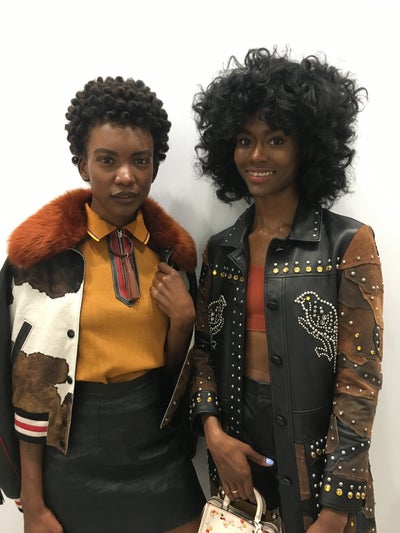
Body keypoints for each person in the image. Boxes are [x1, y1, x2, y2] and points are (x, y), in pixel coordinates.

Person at [189, 47, 383, 533]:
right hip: (238, 464)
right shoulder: (222, 248)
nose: (256, 155)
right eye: (244, 140)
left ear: (307, 147)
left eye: (275, 139)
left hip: (320, 471)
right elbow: (204, 353)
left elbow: (359, 380)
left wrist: (337, 508)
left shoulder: (348, 244)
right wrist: (214, 435)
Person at [0, 75, 205, 532]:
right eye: (107, 160)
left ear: (154, 167)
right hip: (70, 449)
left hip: (155, 440)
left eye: (140, 160)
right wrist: (33, 503)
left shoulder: (171, 255)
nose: (126, 176)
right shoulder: (45, 260)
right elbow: (29, 387)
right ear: (82, 165)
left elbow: (174, 374)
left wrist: (183, 322)